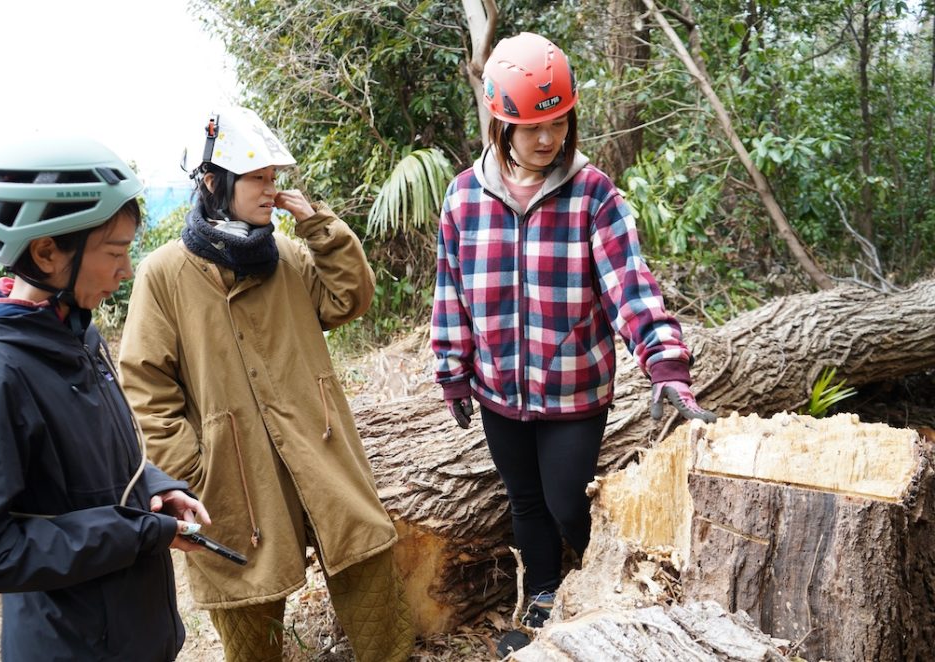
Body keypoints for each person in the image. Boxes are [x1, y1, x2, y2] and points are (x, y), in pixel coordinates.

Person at [430, 32, 718, 655]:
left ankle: (605, 591)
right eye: (531, 127)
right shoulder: (463, 197)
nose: (547, 139)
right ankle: (541, 604)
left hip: (574, 392)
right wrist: (452, 371)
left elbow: (631, 290)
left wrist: (666, 367)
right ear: (499, 123)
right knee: (525, 502)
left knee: (566, 503)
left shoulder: (592, 195)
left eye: (558, 123)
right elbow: (449, 290)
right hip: (499, 392)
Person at [117, 106, 415, 662]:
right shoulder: (164, 274)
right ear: (213, 182)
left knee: (366, 565)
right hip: (234, 469)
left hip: (318, 445)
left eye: (272, 177)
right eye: (257, 177)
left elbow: (348, 298)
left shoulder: (288, 255)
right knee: (245, 600)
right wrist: (191, 464)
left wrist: (320, 226)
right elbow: (146, 383)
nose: (270, 188)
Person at [0, 136, 212, 661]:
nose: (125, 270)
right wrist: (133, 533)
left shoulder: (72, 331)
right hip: (70, 645)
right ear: (46, 251)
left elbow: (88, 464)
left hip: (128, 635)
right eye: (114, 252)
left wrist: (156, 490)